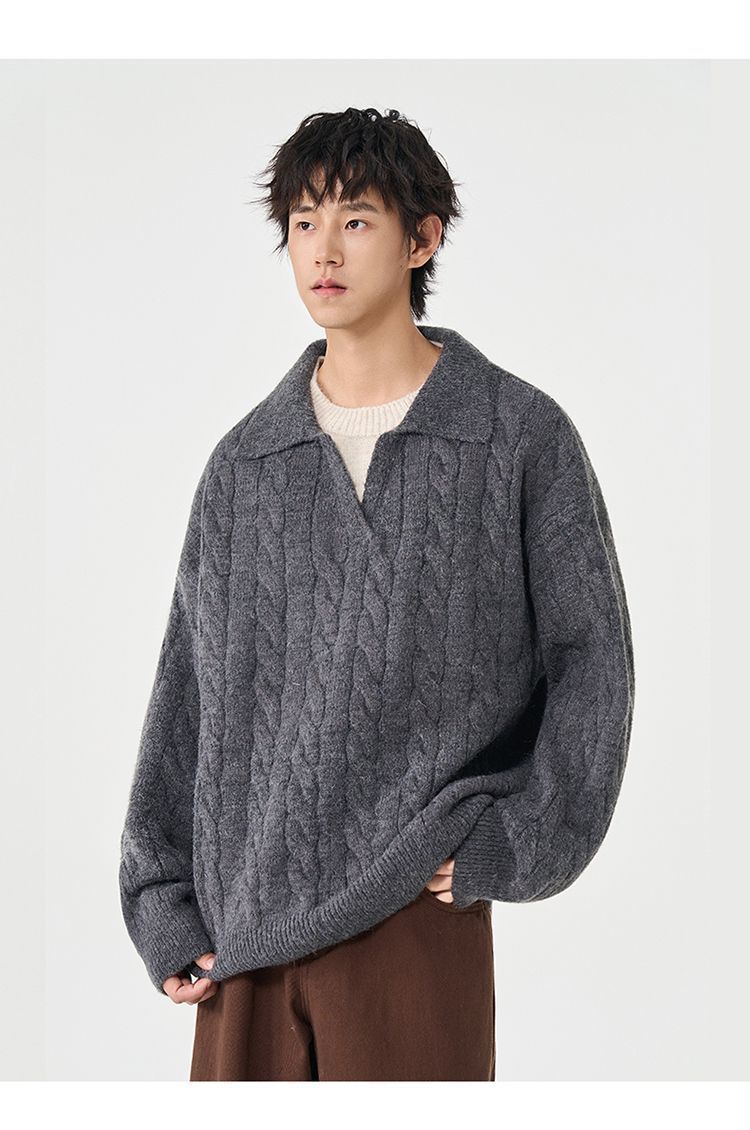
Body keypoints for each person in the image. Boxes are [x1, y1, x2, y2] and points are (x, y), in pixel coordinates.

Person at [118, 106, 635, 1081]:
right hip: (244, 936)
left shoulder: (517, 437)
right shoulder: (244, 464)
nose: (324, 249)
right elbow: (190, 689)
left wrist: (517, 840)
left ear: (421, 238)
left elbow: (591, 659)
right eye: (303, 222)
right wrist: (163, 898)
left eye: (355, 219)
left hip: (411, 915)